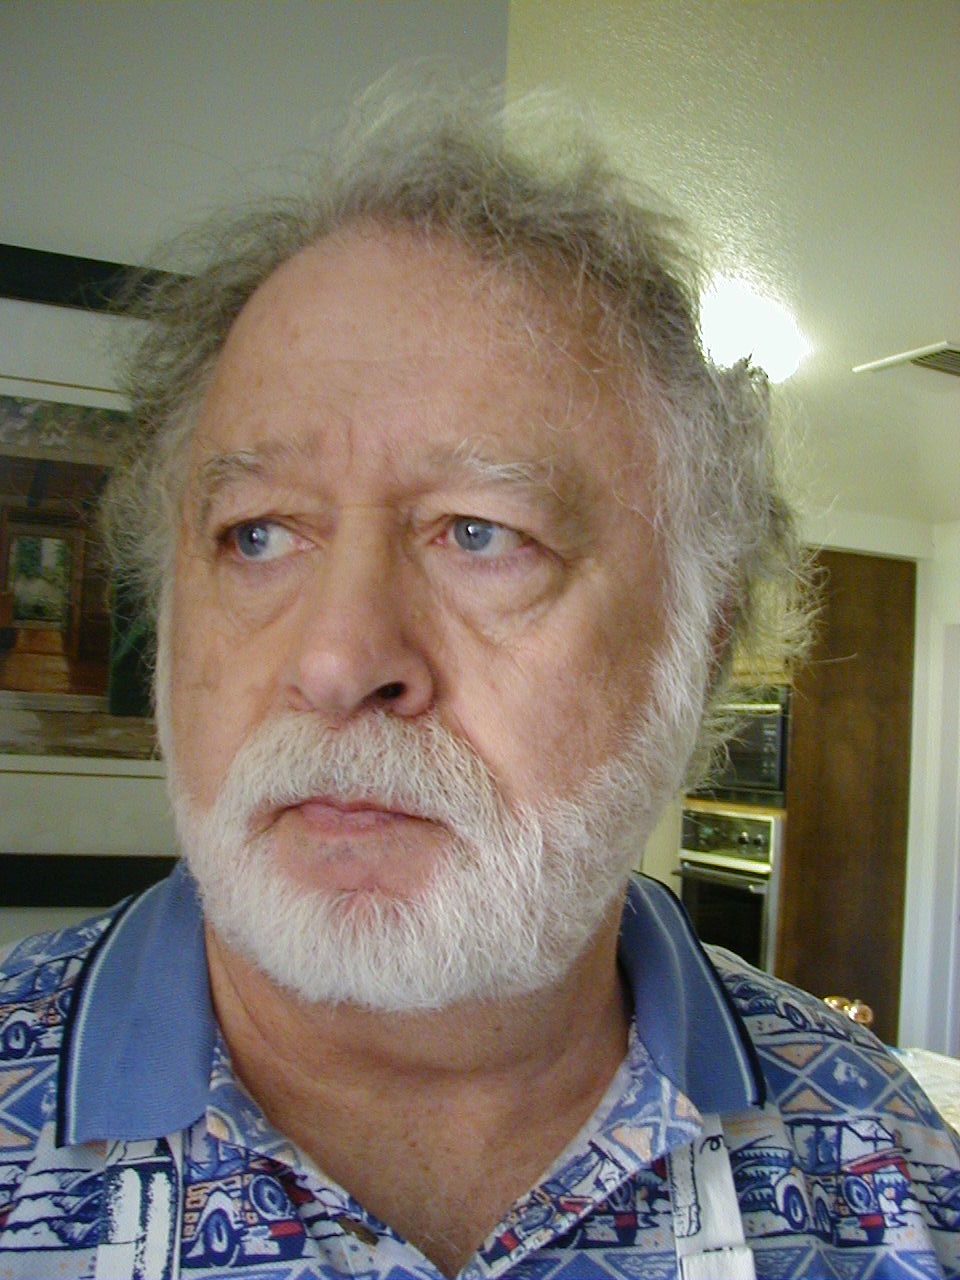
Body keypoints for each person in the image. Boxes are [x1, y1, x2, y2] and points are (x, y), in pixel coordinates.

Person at [1, 86, 958, 1280]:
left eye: (479, 533)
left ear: (701, 644)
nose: (338, 660)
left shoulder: (896, 1177)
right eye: (257, 534)